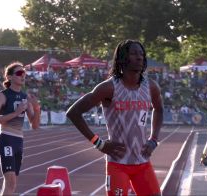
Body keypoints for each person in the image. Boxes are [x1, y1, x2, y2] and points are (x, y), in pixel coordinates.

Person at [66, 39, 163, 196]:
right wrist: (99, 143)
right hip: (118, 164)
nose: (139, 57)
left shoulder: (151, 87)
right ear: (122, 58)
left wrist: (154, 140)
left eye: (141, 54)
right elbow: (73, 112)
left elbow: (159, 109)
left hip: (143, 162)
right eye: (133, 53)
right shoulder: (108, 88)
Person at [0, 62, 40, 196]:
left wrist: (37, 108)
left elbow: (34, 126)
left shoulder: (25, 97)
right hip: (7, 139)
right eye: (19, 73)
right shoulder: (2, 96)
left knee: (12, 183)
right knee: (10, 181)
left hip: (19, 141)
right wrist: (15, 113)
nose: (23, 76)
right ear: (9, 77)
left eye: (24, 73)